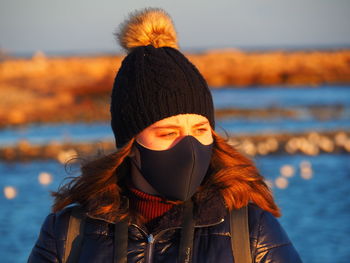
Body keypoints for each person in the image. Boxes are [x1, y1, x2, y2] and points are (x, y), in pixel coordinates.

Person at [28, 8, 302, 263]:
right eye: (168, 132)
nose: (190, 147)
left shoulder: (251, 232)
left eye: (200, 130)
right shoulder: (69, 233)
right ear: (130, 145)